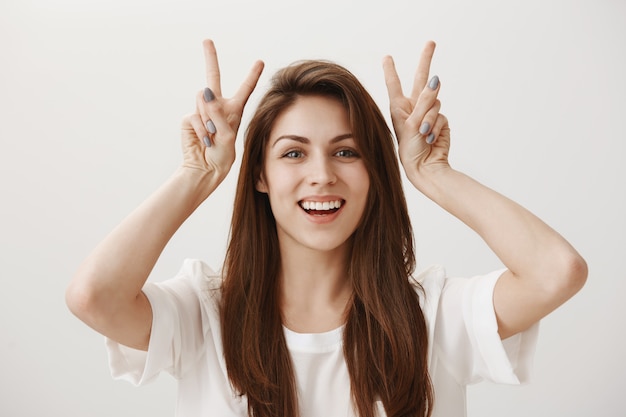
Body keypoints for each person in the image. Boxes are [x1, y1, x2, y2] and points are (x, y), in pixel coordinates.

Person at [65, 39, 587, 417]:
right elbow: (93, 297)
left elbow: (556, 272)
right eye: (293, 152)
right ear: (261, 177)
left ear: (374, 173)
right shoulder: (204, 315)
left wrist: (432, 173)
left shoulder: (434, 315)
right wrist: (197, 175)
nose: (322, 174)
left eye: (346, 151)